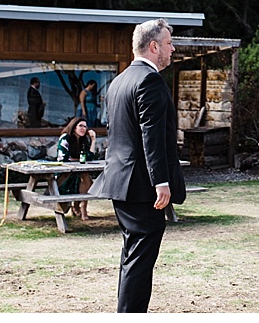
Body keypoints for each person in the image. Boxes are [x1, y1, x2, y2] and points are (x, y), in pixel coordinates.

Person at [89, 18, 187, 313]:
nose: (172, 49)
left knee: (132, 258)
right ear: (154, 46)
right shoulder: (149, 80)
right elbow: (151, 136)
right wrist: (162, 182)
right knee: (140, 264)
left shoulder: (119, 81)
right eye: (169, 43)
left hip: (120, 183)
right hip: (143, 188)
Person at [57, 116, 97, 220]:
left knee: (86, 176)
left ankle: (81, 207)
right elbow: (63, 158)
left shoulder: (83, 140)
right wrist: (78, 160)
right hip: (64, 174)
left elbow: (90, 157)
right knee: (85, 178)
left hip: (78, 172)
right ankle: (79, 207)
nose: (83, 128)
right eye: (80, 126)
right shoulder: (65, 138)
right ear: (74, 127)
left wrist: (93, 140)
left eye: (85, 126)